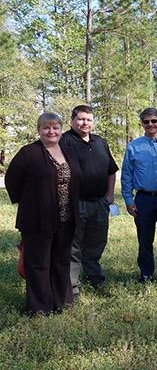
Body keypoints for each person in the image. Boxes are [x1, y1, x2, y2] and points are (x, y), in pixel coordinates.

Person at [5, 113, 82, 314]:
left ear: (61, 129)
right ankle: (40, 307)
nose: (51, 131)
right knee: (38, 264)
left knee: (61, 261)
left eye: (55, 127)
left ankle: (61, 302)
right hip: (37, 219)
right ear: (39, 130)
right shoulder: (28, 153)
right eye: (46, 128)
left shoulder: (68, 151)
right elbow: (12, 181)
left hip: (66, 218)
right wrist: (31, 201)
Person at [60, 104, 119, 295]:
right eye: (81, 119)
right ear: (72, 120)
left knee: (96, 242)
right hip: (75, 203)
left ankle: (94, 277)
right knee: (73, 245)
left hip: (99, 203)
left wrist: (109, 196)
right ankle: (72, 286)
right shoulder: (64, 142)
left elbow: (111, 171)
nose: (85, 122)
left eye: (89, 119)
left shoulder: (100, 142)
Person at [121, 108, 157, 286]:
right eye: (146, 122)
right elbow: (127, 175)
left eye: (154, 121)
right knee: (145, 240)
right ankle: (146, 274)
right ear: (142, 124)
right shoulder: (134, 146)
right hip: (144, 199)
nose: (150, 124)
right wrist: (129, 200)